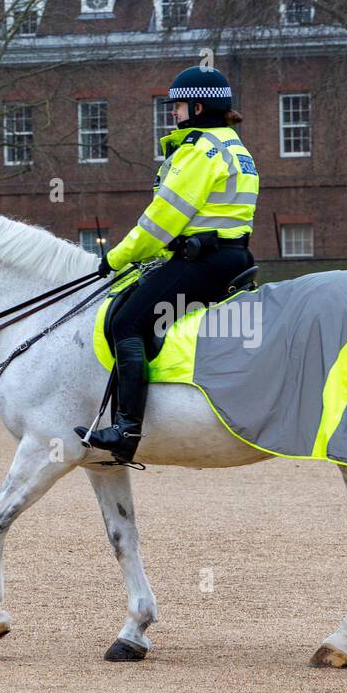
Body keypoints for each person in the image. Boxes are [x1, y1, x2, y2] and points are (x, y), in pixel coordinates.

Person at [75, 65, 259, 464]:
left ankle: (126, 429)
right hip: (231, 256)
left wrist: (114, 258)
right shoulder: (235, 148)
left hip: (203, 262)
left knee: (126, 323)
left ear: (197, 106)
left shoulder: (199, 151)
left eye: (176, 106)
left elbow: (159, 223)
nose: (172, 113)